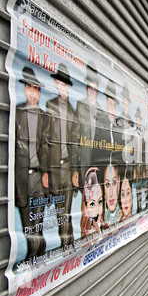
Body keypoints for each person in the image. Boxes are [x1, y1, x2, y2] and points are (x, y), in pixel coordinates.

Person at [45, 63, 80, 250]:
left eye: (65, 85)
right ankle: (68, 246)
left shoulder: (73, 113)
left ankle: (68, 246)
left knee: (64, 213)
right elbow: (45, 140)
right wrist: (45, 171)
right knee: (60, 214)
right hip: (53, 168)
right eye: (59, 84)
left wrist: (75, 171)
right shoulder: (49, 106)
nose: (62, 88)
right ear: (56, 85)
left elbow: (75, 146)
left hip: (67, 168)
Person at [15, 67, 48, 260]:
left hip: (38, 176)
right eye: (30, 89)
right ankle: (34, 255)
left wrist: (46, 174)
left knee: (38, 222)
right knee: (28, 223)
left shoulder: (44, 116)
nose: (34, 93)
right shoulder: (18, 114)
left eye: (37, 89)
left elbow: (47, 147)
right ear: (26, 90)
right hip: (21, 177)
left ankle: (36, 256)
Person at [76, 61, 102, 189]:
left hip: (97, 157)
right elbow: (76, 134)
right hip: (84, 157)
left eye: (94, 88)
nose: (92, 91)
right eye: (89, 87)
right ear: (87, 89)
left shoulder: (101, 110)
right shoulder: (81, 105)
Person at [80, 167, 105, 238]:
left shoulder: (104, 223)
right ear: (85, 205)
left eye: (100, 202)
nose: (97, 211)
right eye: (92, 204)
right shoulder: (86, 228)